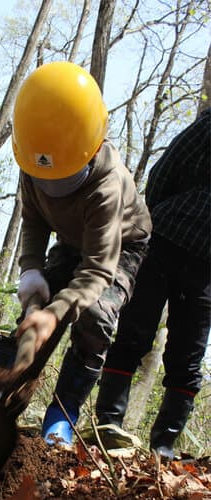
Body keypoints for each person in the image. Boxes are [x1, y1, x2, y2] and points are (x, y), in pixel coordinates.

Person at [0, 61, 152, 446]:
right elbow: (33, 218)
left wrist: (55, 314)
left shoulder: (107, 186)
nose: (51, 187)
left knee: (95, 318)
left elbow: (98, 270)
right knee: (34, 317)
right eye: (43, 179)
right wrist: (31, 271)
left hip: (119, 246)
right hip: (70, 239)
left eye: (63, 179)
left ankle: (61, 416)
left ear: (93, 147)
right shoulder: (33, 157)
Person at [94, 107, 210, 459]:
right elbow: (164, 172)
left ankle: (164, 448)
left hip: (206, 268)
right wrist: (152, 224)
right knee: (134, 334)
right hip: (164, 241)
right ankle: (108, 426)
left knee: (188, 358)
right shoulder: (208, 127)